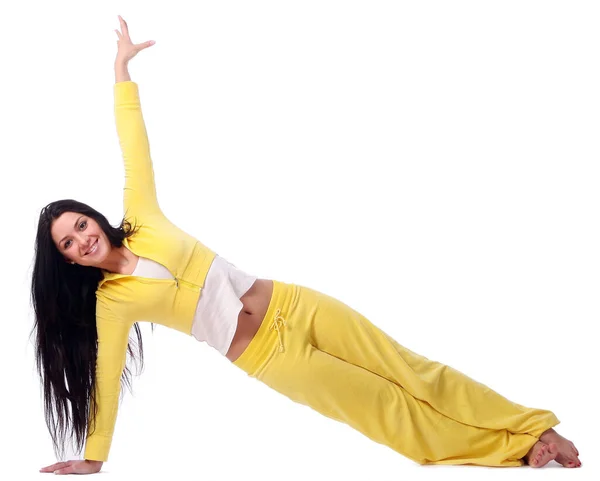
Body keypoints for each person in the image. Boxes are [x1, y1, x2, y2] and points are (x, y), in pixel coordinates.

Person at [35, 16, 581, 475]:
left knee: (413, 371)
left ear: (94, 219)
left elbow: (134, 145)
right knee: (389, 412)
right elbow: (104, 377)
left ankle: (533, 422)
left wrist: (120, 71)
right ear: (64, 260)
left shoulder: (142, 215)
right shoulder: (111, 303)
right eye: (68, 242)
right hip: (270, 356)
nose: (81, 239)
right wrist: (95, 455)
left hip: (295, 304)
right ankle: (518, 450)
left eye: (80, 225)